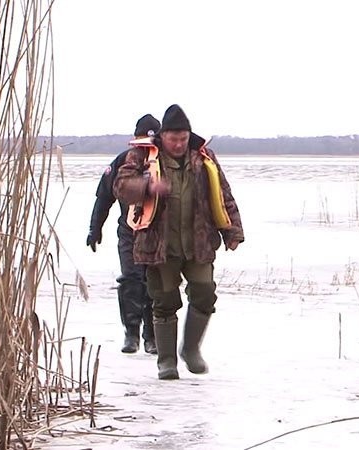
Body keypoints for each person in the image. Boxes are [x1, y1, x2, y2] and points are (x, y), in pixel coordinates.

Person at [113, 104, 245, 380]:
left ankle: (191, 350)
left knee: (205, 293)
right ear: (163, 137)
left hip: (198, 242)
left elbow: (224, 194)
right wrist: (147, 186)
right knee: (164, 301)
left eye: (183, 139)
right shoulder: (142, 156)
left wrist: (233, 231)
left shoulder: (204, 158)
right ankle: (167, 361)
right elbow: (121, 186)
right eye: (173, 139)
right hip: (158, 245)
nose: (178, 144)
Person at [87, 114, 162, 354]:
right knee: (130, 279)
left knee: (155, 283)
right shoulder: (122, 161)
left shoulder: (164, 163)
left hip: (157, 234)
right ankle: (131, 333)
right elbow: (103, 199)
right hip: (129, 232)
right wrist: (94, 228)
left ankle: (152, 336)